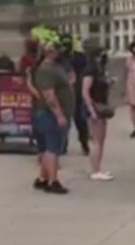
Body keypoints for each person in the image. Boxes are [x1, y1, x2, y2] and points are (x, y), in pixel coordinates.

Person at [31, 40, 73, 194]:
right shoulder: (45, 70)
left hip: (57, 113)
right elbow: (49, 95)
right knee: (52, 148)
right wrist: (60, 115)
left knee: (50, 147)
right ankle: (52, 181)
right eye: (57, 50)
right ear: (49, 52)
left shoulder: (58, 67)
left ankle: (43, 177)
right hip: (50, 115)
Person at [81, 43, 114, 181]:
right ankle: (95, 170)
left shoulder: (98, 69)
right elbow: (85, 92)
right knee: (96, 141)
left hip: (99, 105)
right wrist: (91, 111)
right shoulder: (90, 70)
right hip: (95, 107)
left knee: (100, 140)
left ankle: (98, 168)